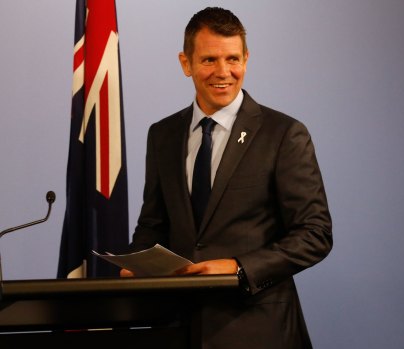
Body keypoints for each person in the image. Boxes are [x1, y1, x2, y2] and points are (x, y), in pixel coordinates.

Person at [121, 7, 332, 349]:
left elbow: (315, 234)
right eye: (208, 60)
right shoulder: (162, 135)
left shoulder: (284, 134)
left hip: (260, 330)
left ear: (246, 59)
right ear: (185, 63)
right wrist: (138, 263)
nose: (223, 72)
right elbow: (154, 224)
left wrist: (239, 267)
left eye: (233, 59)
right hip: (179, 328)